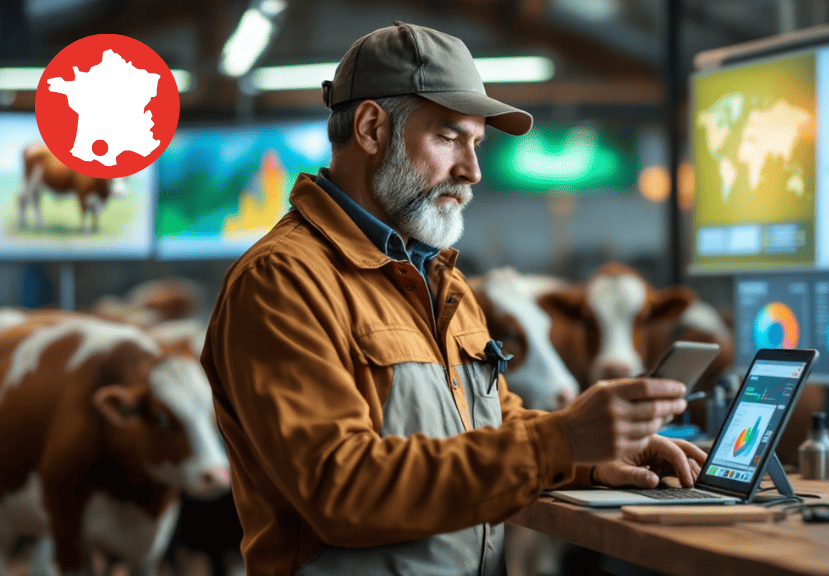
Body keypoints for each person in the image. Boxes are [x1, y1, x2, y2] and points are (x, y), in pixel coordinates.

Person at [201, 21, 707, 576]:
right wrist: (558, 441)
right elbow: (341, 489)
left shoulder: (440, 279)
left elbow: (483, 423)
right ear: (371, 128)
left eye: (476, 143)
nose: (472, 171)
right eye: (449, 138)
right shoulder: (282, 282)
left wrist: (588, 458)